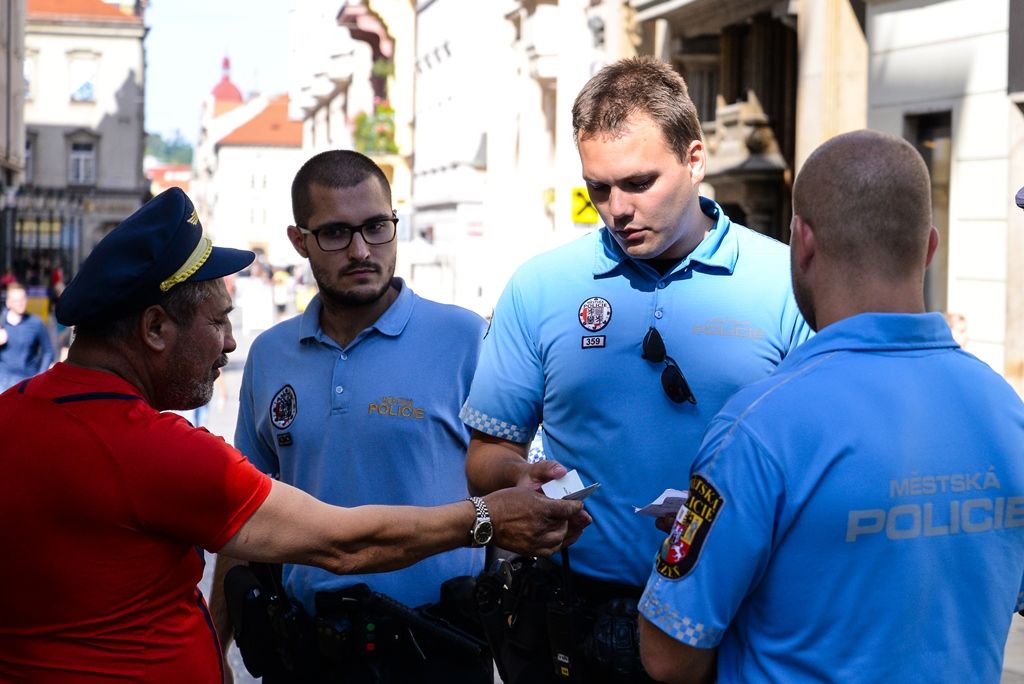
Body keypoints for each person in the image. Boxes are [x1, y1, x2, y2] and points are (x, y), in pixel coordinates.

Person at [0, 187, 585, 683]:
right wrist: (486, 516)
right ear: (155, 328)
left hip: (436, 641)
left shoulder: (13, 414)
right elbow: (341, 542)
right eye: (218, 321)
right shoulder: (158, 450)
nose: (229, 343)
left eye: (377, 226)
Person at [462, 56, 810, 683]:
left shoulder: (785, 282)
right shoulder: (539, 287)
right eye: (599, 188)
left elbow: (823, 454)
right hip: (577, 623)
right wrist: (520, 478)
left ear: (695, 159)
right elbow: (487, 453)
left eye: (640, 182)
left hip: (740, 622)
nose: (617, 209)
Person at [637, 129, 1024, 684]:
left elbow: (669, 654)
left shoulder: (760, 427)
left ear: (803, 241)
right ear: (929, 246)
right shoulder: (1005, 412)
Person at [210, 149, 541, 683]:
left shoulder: (466, 339)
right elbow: (244, 520)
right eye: (336, 233)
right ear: (300, 241)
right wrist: (214, 648)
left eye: (376, 227)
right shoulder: (271, 355)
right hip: (305, 655)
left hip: (440, 652)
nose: (362, 250)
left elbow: (511, 503)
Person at [0, 282, 55, 390]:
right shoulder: (1, 323)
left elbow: (48, 351)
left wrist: (40, 375)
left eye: (23, 299)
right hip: (2, 382)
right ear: (8, 303)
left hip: (26, 381)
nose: (20, 303)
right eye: (16, 300)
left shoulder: (36, 323)